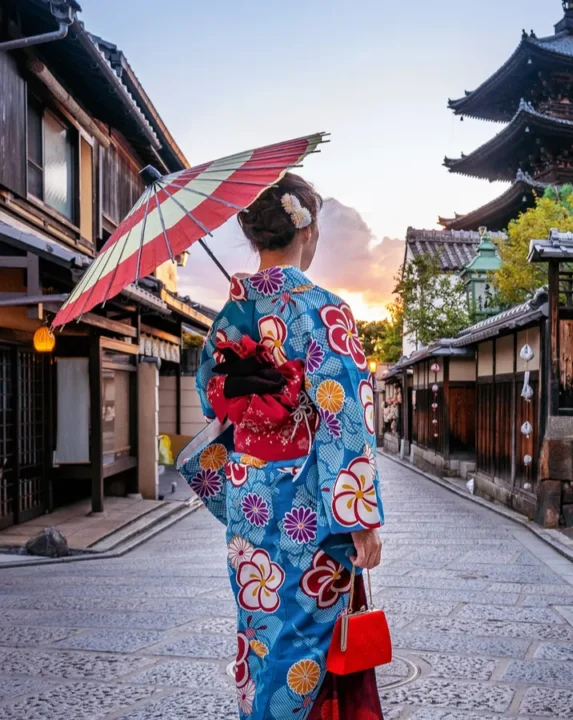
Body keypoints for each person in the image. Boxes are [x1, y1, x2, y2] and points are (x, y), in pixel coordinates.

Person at [178, 173, 384, 719]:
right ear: (307, 229)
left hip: (251, 496)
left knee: (261, 632)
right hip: (306, 502)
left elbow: (211, 397)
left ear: (256, 235)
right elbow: (343, 414)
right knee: (303, 644)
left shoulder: (230, 314)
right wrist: (359, 515)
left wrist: (255, 372)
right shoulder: (324, 309)